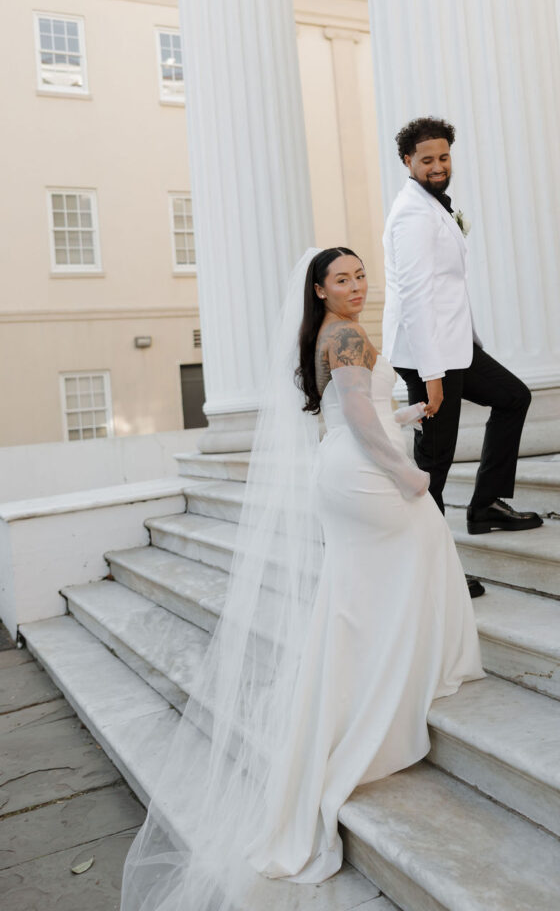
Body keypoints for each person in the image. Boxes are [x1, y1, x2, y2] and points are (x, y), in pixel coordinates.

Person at [120, 247, 483, 911]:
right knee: (420, 550)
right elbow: (361, 420)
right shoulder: (343, 333)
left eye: (360, 275)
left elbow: (352, 415)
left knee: (363, 593)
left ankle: (373, 686)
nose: (355, 286)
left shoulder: (327, 335)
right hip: (363, 476)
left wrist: (403, 420)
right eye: (341, 279)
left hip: (344, 468)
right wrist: (405, 470)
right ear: (319, 289)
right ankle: (393, 692)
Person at [383, 116, 544, 546]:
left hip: (454, 346)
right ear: (407, 161)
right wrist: (431, 376)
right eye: (426, 160)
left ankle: (485, 505)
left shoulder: (433, 204)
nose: (438, 166)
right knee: (434, 460)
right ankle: (430, 561)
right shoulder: (412, 215)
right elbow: (415, 297)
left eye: (443, 157)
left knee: (512, 397)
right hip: (427, 354)